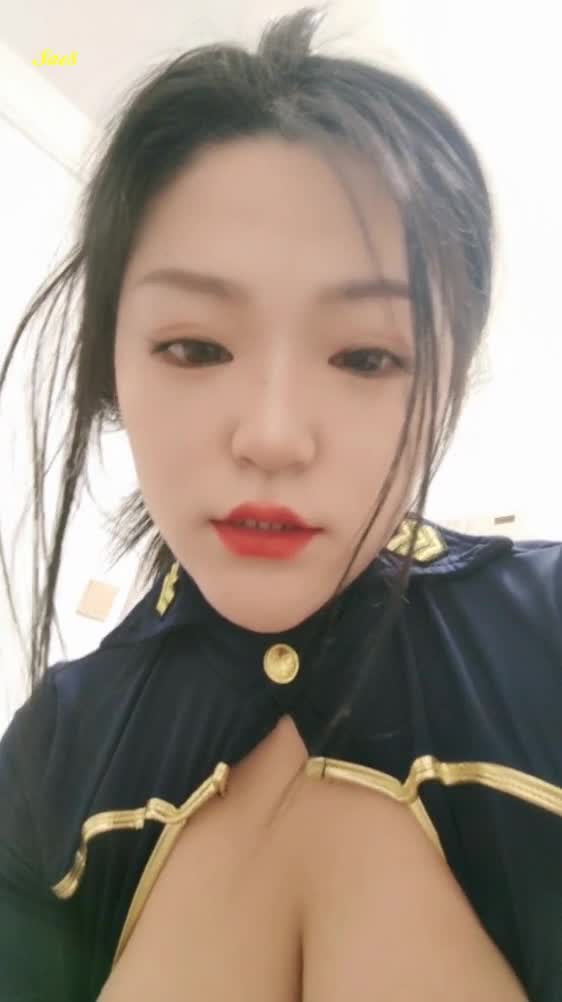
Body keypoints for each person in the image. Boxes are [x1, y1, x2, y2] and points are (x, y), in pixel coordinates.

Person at [0, 7, 559, 1000]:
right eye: (196, 346)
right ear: (110, 365)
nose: (271, 435)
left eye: (366, 357)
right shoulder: (50, 753)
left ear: (452, 379)